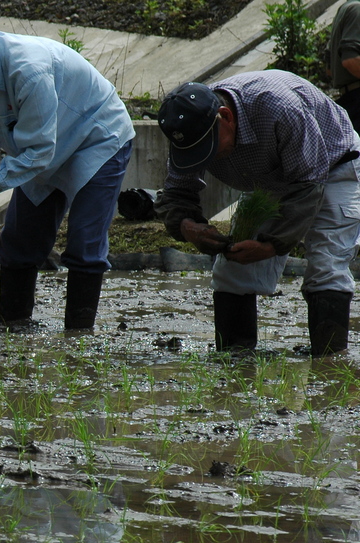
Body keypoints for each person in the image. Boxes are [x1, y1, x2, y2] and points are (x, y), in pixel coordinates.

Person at [0, 7, 134, 330]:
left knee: (84, 241)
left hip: (94, 139)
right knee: (18, 243)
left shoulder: (28, 69)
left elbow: (40, 152)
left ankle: (78, 338)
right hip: (38, 147)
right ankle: (12, 327)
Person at [154, 72, 360, 356]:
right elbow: (176, 193)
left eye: (209, 148)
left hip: (333, 166)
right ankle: (235, 363)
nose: (206, 158)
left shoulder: (279, 108)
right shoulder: (188, 127)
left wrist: (272, 244)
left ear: (225, 117)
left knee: (327, 264)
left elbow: (308, 186)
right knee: (232, 269)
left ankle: (329, 366)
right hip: (267, 179)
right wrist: (190, 227)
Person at [328, 0, 360, 130]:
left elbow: (329, 70)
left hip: (349, 99)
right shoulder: (357, 10)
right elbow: (350, 60)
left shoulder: (344, 10)